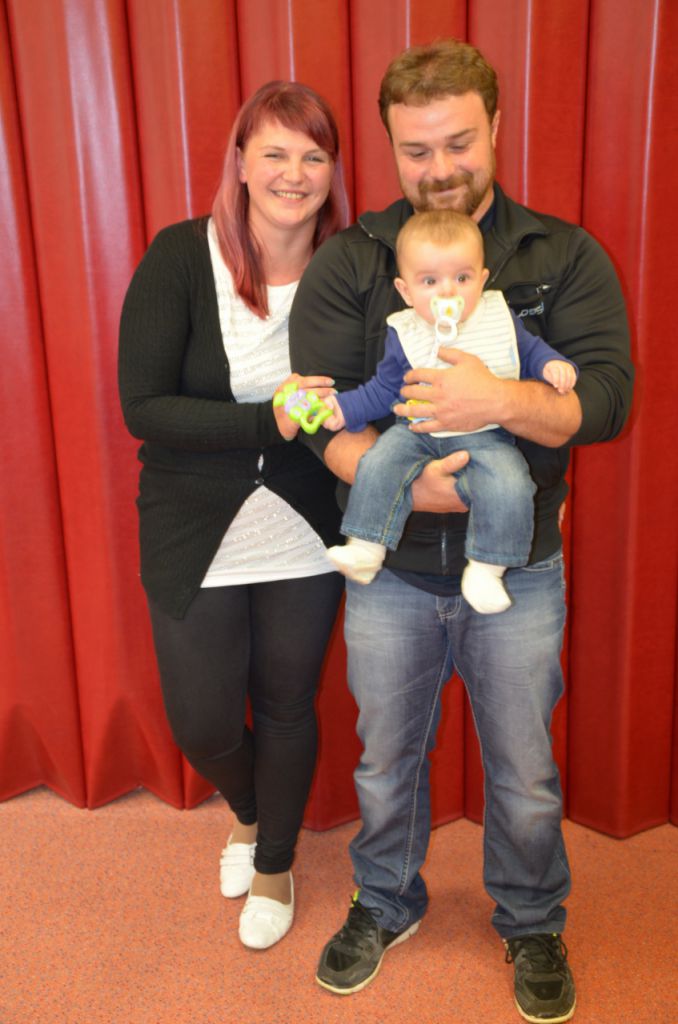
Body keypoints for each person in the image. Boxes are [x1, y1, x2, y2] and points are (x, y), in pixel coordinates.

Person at [289, 39, 633, 1023]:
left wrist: (503, 401)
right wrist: (400, 484)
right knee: (383, 759)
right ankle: (384, 900)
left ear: (497, 127)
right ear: (390, 149)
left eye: (459, 142)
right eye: (416, 150)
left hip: (520, 572)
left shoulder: (562, 255)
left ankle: (531, 918)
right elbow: (324, 414)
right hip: (390, 572)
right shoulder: (352, 262)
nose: (440, 167)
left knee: (524, 768)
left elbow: (606, 399)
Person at [118, 80, 347, 952]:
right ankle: (250, 812)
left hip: (305, 518)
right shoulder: (181, 256)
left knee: (287, 703)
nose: (294, 173)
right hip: (191, 520)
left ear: (332, 171)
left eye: (314, 155)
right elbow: (144, 406)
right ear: (241, 163)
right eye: (275, 152)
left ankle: (276, 863)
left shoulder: (350, 266)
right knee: (204, 723)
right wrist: (267, 421)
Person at [322, 209, 577, 614]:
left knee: (511, 482)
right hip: (415, 431)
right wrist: (342, 409)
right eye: (430, 281)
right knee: (377, 461)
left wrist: (552, 366)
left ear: (482, 278)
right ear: (406, 291)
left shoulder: (498, 318)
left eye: (462, 278)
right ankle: (366, 546)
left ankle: (488, 569)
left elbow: (530, 353)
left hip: (486, 436)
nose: (447, 293)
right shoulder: (403, 331)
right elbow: (384, 389)